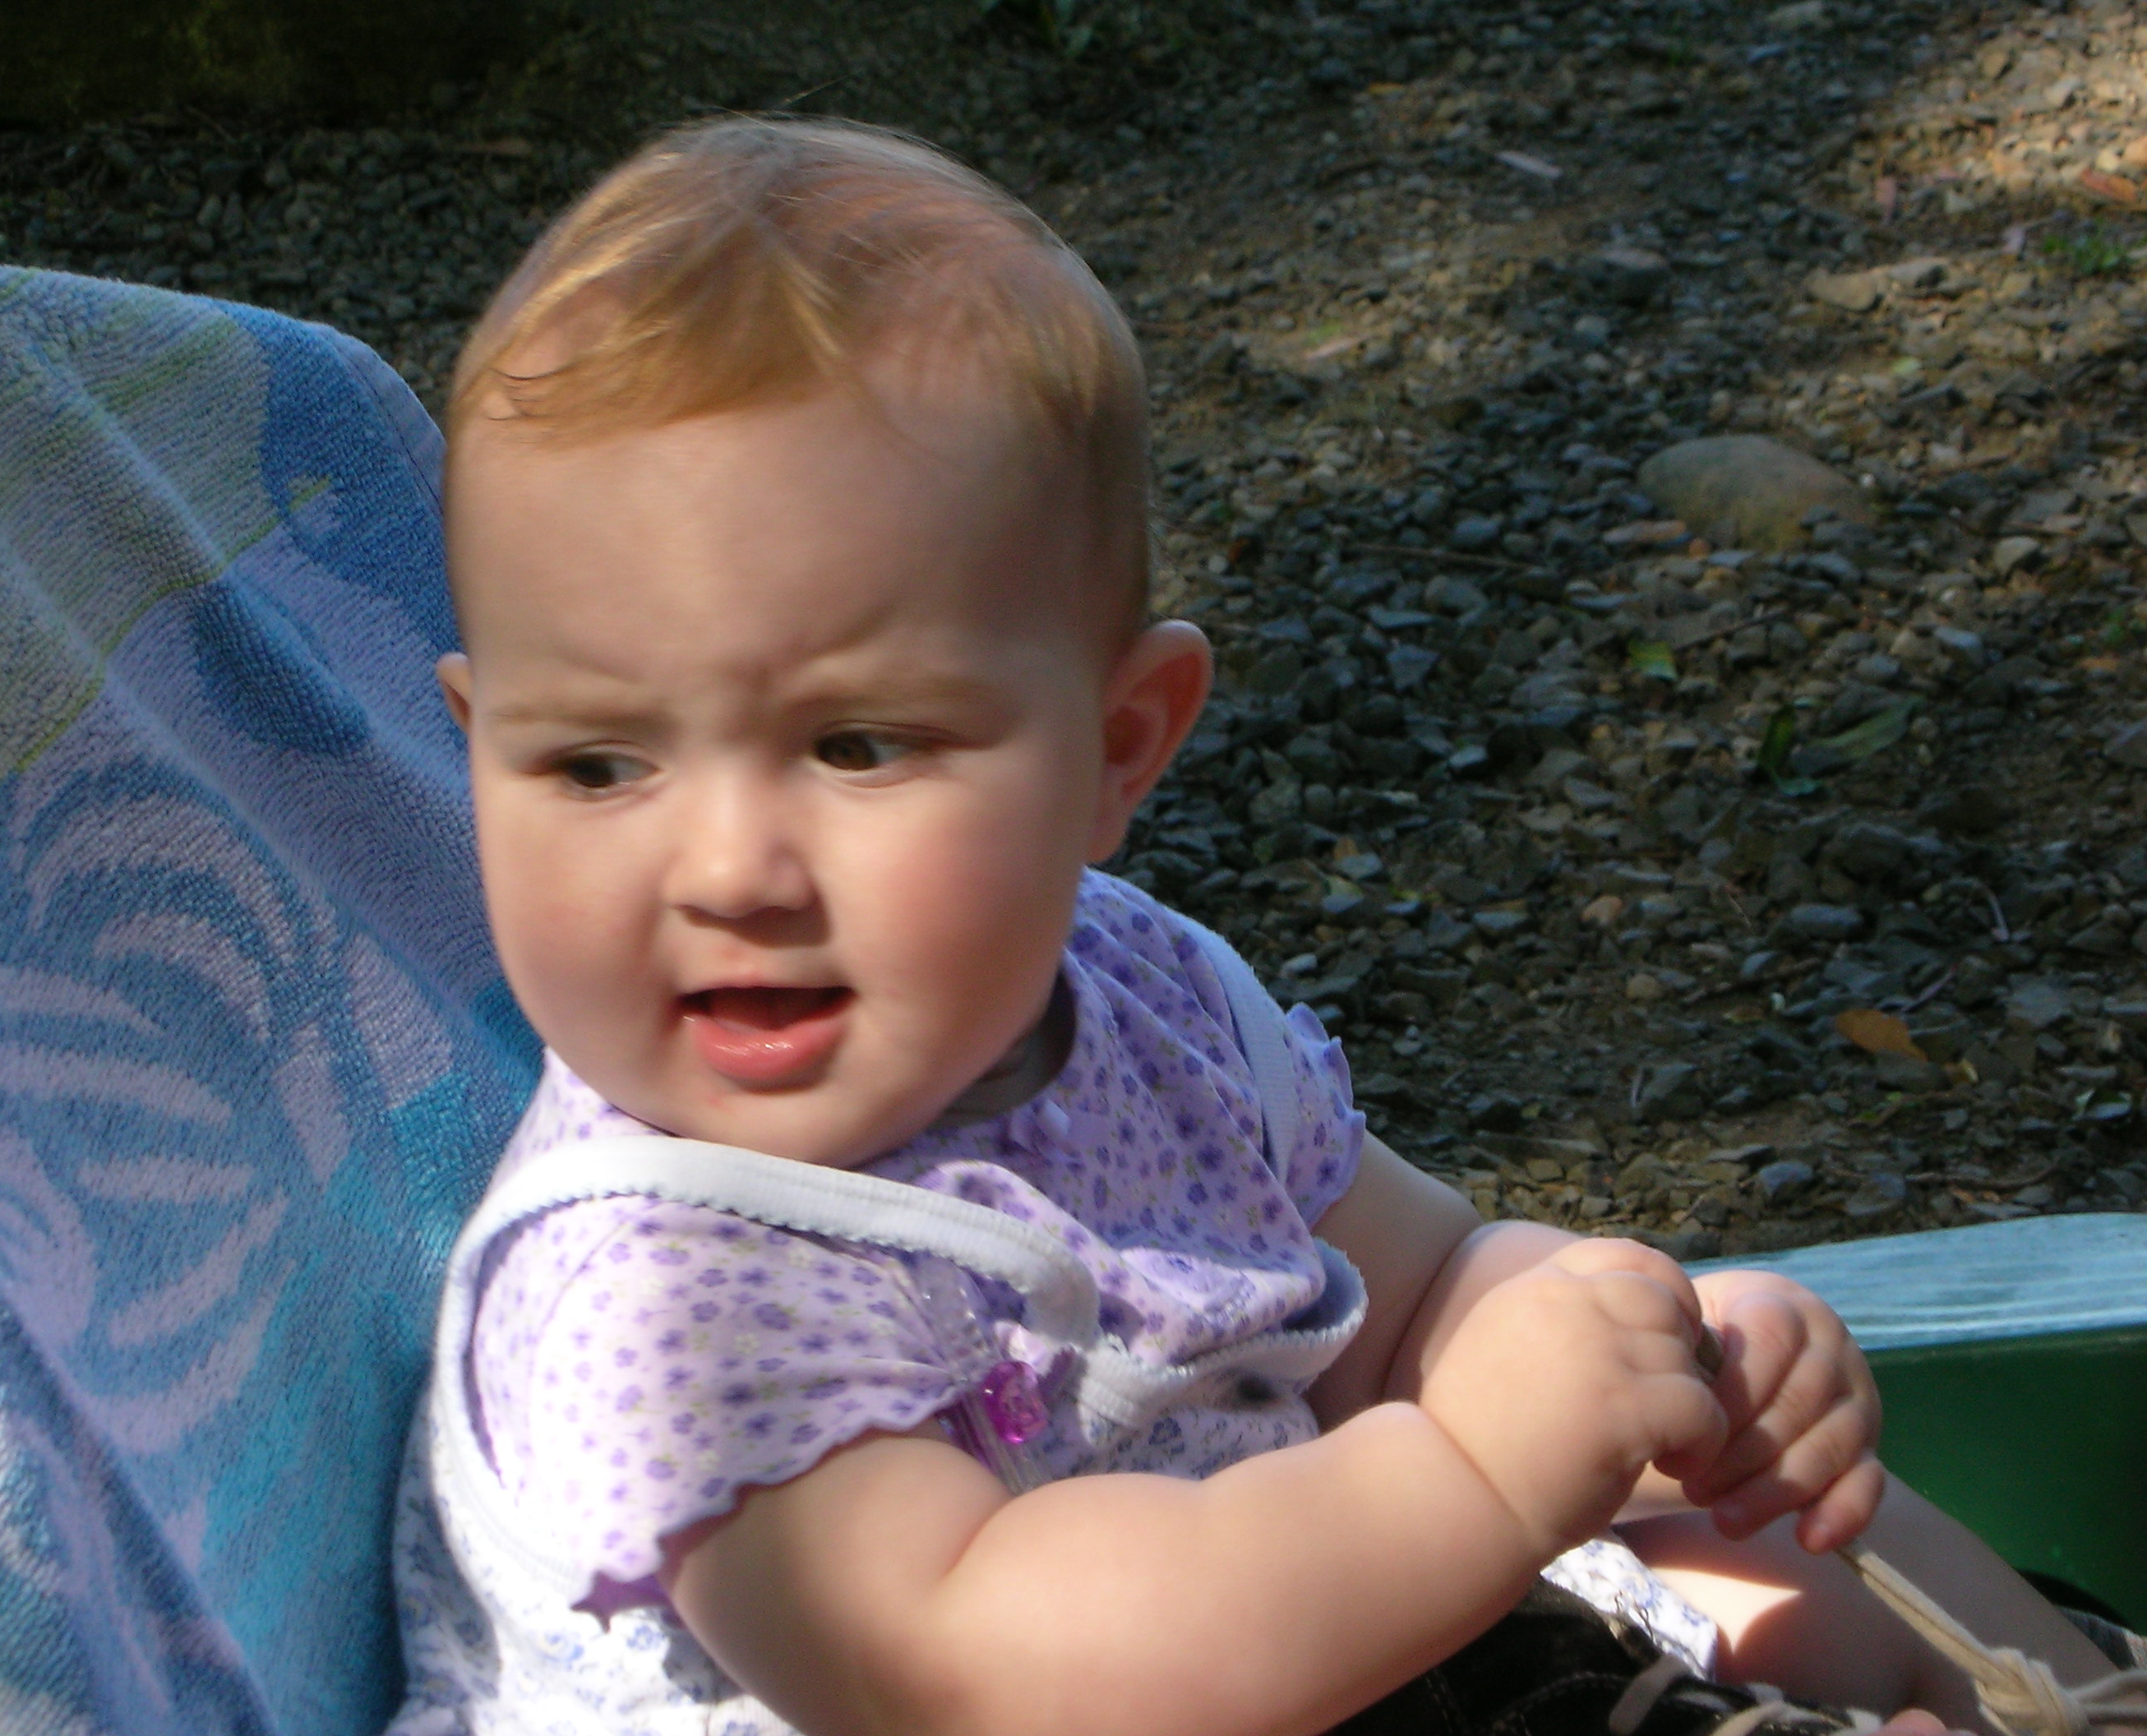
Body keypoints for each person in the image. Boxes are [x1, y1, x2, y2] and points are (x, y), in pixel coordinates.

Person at [385, 115, 2132, 1736]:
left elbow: (1417, 1291)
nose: (727, 871)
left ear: (1117, 750)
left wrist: (1641, 1341)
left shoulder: (1135, 997)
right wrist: (1480, 1471)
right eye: (597, 763)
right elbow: (978, 1674)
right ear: (476, 749)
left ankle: (2068, 1699)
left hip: (1323, 1627)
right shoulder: (662, 1286)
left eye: (854, 746)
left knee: (1783, 1550)